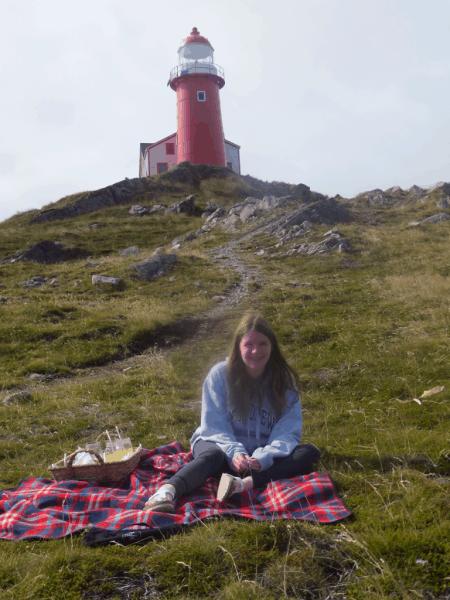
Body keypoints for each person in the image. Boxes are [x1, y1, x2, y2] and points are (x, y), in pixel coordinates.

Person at [144, 312, 320, 513]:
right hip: (218, 444)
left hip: (256, 460)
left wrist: (264, 457)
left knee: (308, 452)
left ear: (272, 346)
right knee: (214, 455)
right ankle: (166, 491)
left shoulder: (284, 381)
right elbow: (214, 426)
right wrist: (234, 453)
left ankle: (241, 485)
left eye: (263, 344)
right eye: (249, 344)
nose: (256, 351)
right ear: (238, 346)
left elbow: (288, 431)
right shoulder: (220, 375)